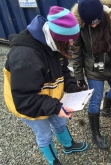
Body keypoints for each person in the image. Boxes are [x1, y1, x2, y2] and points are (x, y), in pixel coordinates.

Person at [3, 6, 88, 165]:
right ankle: (53, 161)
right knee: (44, 134)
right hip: (29, 105)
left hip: (49, 97)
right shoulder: (26, 58)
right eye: (69, 40)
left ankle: (68, 146)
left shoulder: (54, 44)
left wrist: (72, 88)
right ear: (58, 37)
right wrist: (56, 107)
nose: (71, 43)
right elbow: (24, 100)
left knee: (60, 122)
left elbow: (63, 71)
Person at [71, 0, 111, 149]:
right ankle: (96, 134)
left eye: (96, 22)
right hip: (94, 69)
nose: (93, 25)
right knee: (94, 101)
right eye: (89, 23)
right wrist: (79, 77)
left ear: (102, 15)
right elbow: (77, 52)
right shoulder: (79, 27)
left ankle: (106, 109)